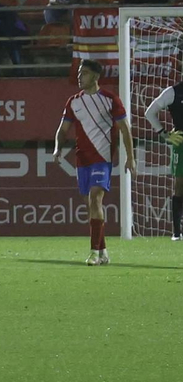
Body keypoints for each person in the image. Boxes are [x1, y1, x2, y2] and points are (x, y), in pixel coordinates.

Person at [50, 60, 135, 265]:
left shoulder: (110, 100)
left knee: (96, 199)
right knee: (90, 206)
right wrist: (57, 148)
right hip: (82, 159)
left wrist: (130, 157)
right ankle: (104, 251)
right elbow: (62, 130)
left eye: (85, 73)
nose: (80, 77)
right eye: (80, 73)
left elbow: (125, 128)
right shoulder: (73, 101)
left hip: (103, 158)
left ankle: (94, 253)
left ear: (96, 77)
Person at [142, 79, 183, 239]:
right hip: (181, 143)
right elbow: (149, 112)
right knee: (179, 185)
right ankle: (177, 232)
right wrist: (164, 133)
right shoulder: (173, 92)